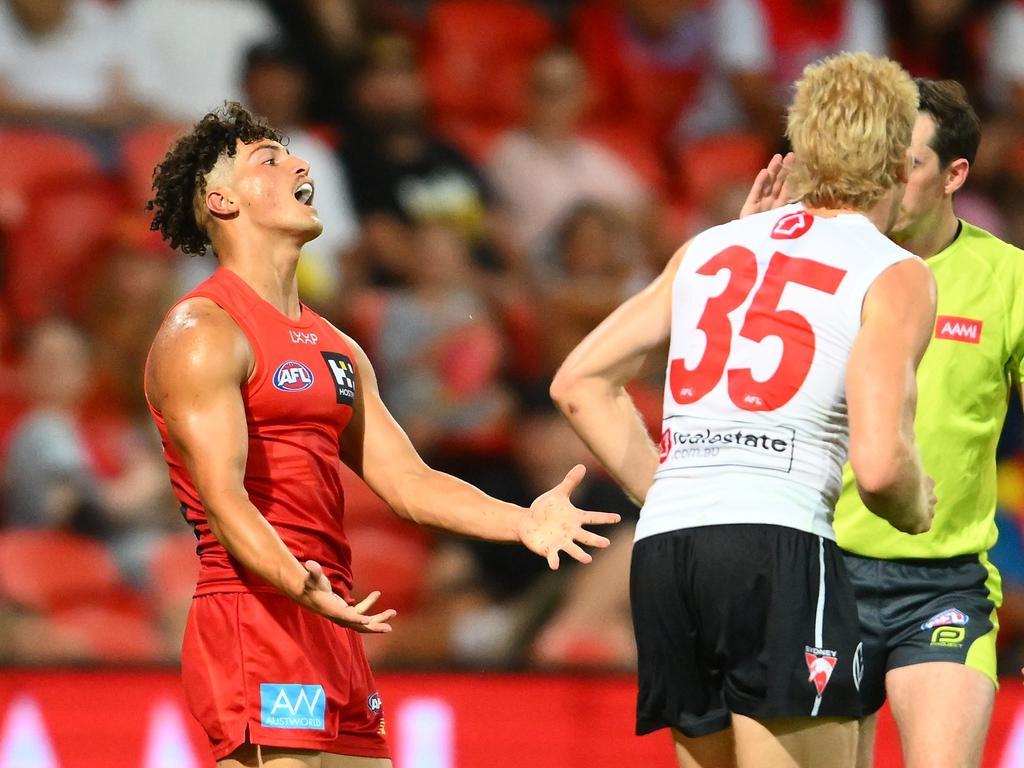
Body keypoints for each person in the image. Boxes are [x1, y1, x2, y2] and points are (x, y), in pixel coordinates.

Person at [142, 102, 620, 767]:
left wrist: (521, 521)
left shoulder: (336, 345)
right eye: (270, 161)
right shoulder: (204, 331)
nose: (301, 164)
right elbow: (223, 501)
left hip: (330, 614)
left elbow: (406, 480)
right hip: (258, 608)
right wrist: (297, 582)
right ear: (222, 201)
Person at [550, 52, 936, 768]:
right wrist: (919, 505)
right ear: (898, 159)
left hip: (667, 552)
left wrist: (670, 490)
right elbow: (881, 468)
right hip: (779, 544)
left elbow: (580, 383)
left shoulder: (712, 246)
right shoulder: (893, 270)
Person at [827, 79, 1024, 768]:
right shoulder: (825, 266)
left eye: (906, 163)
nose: (886, 178)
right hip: (823, 572)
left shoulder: (1009, 280)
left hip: (945, 585)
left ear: (954, 175)